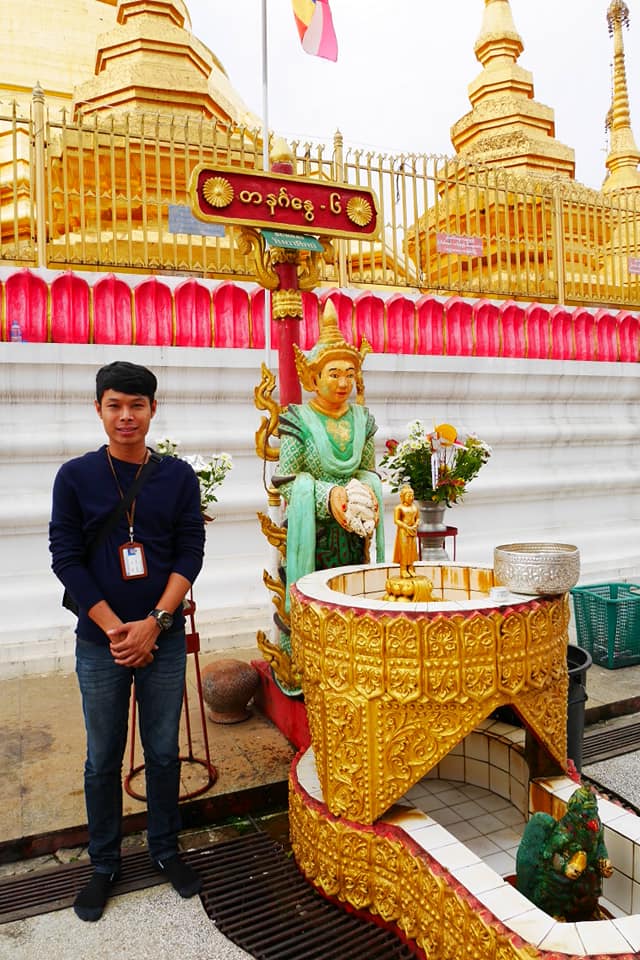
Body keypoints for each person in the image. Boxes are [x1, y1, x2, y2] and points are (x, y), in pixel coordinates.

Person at [49, 360, 205, 922]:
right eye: (114, 405)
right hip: (101, 642)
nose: (125, 416)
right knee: (101, 758)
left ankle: (165, 849)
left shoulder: (178, 477)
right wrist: (114, 625)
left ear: (153, 410)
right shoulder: (75, 477)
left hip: (159, 639)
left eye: (136, 405)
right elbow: (64, 555)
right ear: (98, 409)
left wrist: (155, 624)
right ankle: (104, 863)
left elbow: (190, 552)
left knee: (163, 751)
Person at [277, 303, 385, 617]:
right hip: (314, 534)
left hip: (354, 530)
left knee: (354, 604)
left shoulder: (362, 420)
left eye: (350, 375)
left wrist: (367, 495)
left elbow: (367, 471)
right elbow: (286, 481)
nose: (343, 384)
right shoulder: (297, 420)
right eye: (334, 374)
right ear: (313, 377)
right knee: (316, 608)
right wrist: (328, 497)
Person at [392, 485, 419, 577]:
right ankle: (403, 569)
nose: (411, 498)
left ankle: (411, 567)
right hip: (403, 531)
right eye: (409, 496)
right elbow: (396, 520)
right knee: (404, 550)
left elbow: (418, 518)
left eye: (412, 496)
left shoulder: (415, 507)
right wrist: (406, 527)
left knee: (412, 550)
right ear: (403, 497)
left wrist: (415, 525)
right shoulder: (399, 508)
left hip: (413, 530)